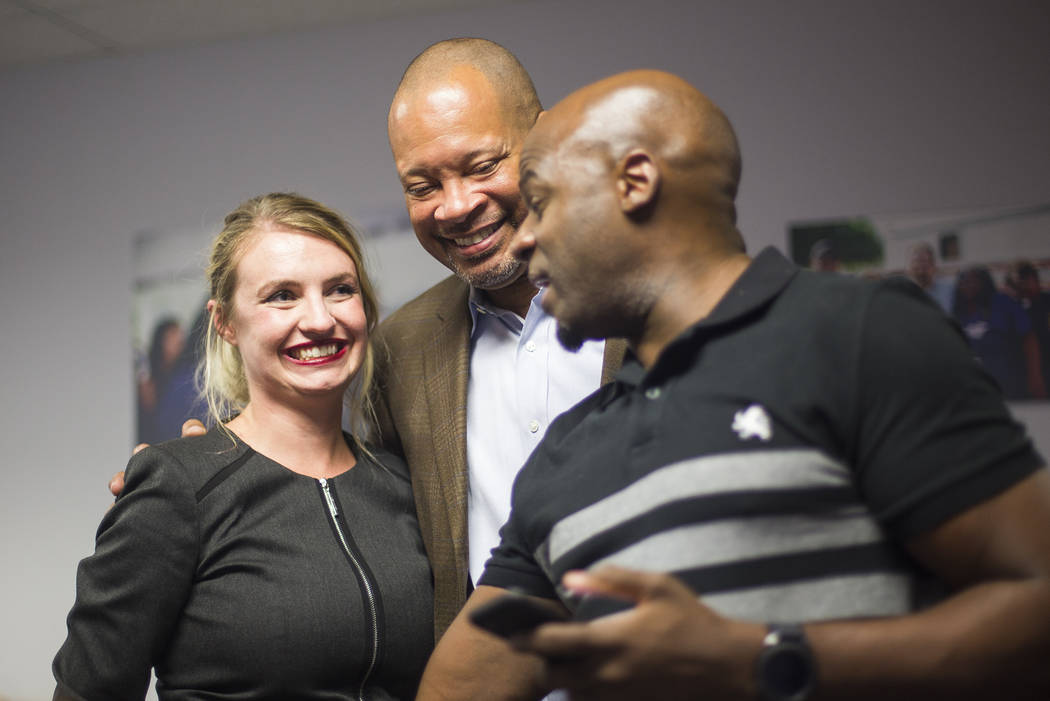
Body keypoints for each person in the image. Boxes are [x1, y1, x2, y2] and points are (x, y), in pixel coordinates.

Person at [416, 70, 1050, 701]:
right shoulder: (568, 451)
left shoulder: (855, 332)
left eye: (544, 203)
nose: (525, 238)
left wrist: (765, 660)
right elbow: (464, 683)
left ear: (634, 183)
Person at [110, 38, 626, 640]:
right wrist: (185, 483)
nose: (456, 206)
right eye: (422, 185)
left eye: (483, 166)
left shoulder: (660, 307)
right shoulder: (407, 349)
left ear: (547, 139)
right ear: (224, 321)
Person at [56, 193, 433, 700]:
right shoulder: (178, 486)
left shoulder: (402, 484)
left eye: (340, 290)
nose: (320, 320)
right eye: (282, 295)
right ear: (225, 322)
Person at [951, 265, 1043, 399]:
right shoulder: (957, 311)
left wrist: (1035, 375)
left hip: (1008, 381)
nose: (968, 285)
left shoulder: (1003, 302)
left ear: (985, 282)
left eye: (974, 281)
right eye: (964, 281)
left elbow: (1029, 337)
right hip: (973, 387)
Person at [906, 241, 953, 313]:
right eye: (917, 262)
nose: (921, 270)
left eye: (925, 264)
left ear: (933, 267)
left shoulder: (948, 290)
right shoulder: (904, 294)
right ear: (910, 269)